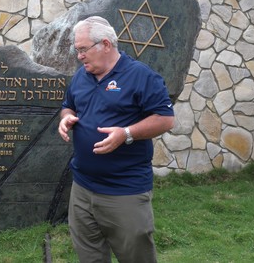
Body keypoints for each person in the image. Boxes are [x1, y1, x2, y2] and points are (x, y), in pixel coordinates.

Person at [58, 16, 175, 263]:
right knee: (89, 256)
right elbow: (68, 105)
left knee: (136, 257)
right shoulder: (81, 76)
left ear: (106, 45)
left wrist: (126, 134)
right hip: (82, 187)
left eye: (83, 49)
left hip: (124, 191)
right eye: (77, 50)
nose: (79, 56)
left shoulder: (141, 76)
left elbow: (165, 119)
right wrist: (66, 118)